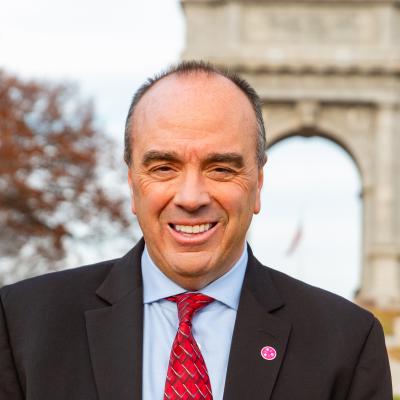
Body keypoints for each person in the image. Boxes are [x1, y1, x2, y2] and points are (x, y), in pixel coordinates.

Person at [0, 61, 392, 400]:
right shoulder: (21, 326)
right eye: (163, 168)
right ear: (132, 182)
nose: (191, 197)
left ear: (258, 183)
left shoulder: (348, 343)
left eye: (221, 168)